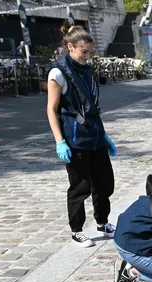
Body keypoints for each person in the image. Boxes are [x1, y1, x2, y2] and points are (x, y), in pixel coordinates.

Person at [46, 23, 117, 248]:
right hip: (74, 138)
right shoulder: (58, 73)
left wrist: (103, 135)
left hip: (94, 135)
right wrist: (59, 141)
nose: (87, 56)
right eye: (84, 52)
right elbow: (51, 109)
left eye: (90, 52)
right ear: (71, 47)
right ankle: (76, 230)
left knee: (105, 184)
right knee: (80, 187)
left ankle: (102, 222)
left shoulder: (86, 70)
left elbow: (92, 107)